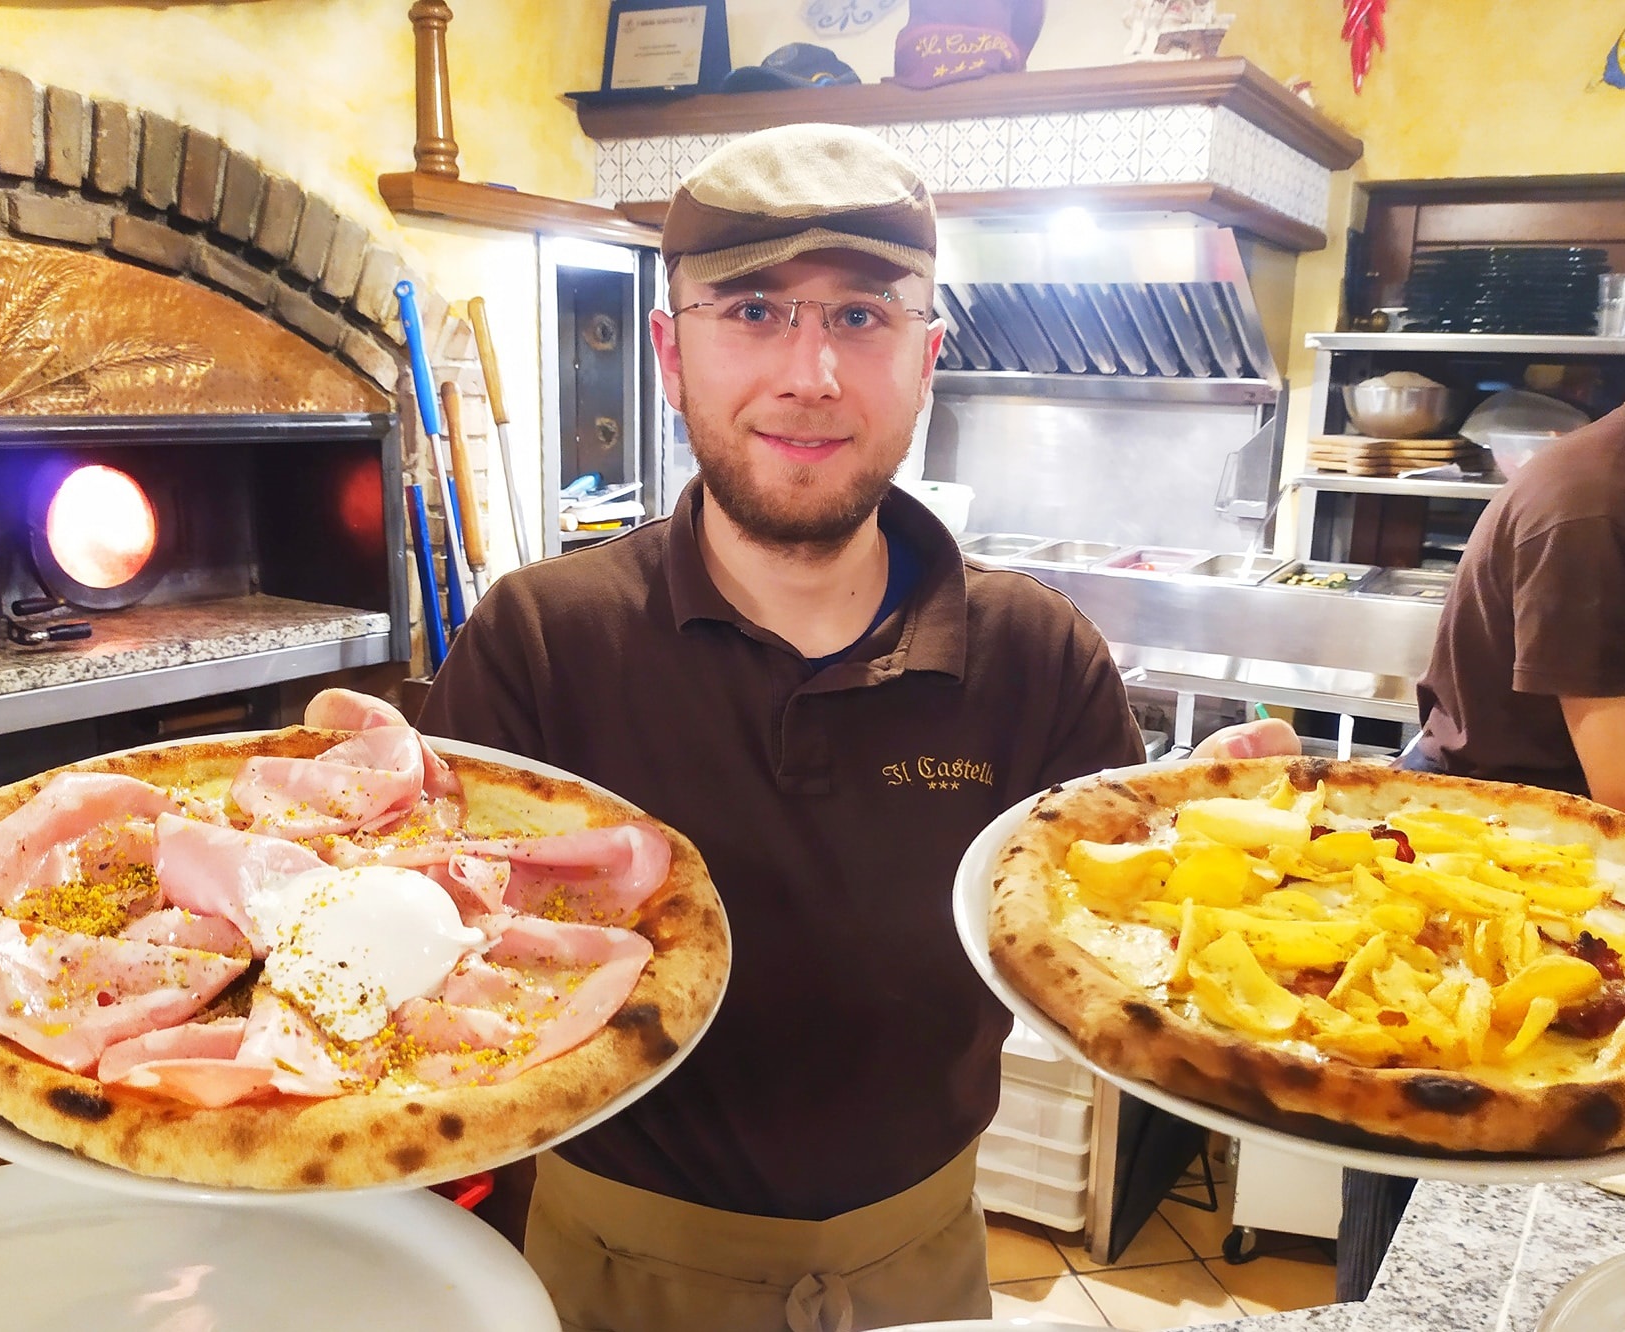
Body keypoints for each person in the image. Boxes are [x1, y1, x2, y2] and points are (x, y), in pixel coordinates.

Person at [418, 122, 1291, 1332]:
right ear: (671, 353)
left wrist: (1242, 874)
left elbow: (1122, 937)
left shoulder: (1037, 658)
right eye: (754, 312)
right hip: (601, 1268)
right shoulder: (540, 639)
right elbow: (440, 965)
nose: (810, 375)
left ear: (926, 357)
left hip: (921, 1266)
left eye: (861, 318)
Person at [1337, 400, 1625, 1302]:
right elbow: (1619, 786)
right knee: (1428, 1184)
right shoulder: (1592, 504)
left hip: (1556, 871)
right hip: (1484, 872)